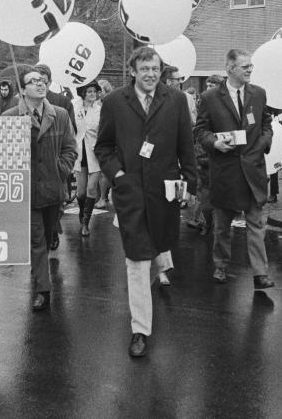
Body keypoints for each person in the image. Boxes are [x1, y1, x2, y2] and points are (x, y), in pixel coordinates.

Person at [95, 46, 197, 358]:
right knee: (136, 260)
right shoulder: (114, 102)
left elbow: (185, 144)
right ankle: (140, 329)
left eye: (155, 68)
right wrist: (120, 176)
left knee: (160, 246)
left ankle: (161, 262)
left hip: (165, 191)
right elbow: (104, 147)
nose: (150, 74)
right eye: (144, 69)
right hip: (130, 193)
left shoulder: (176, 100)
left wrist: (190, 184)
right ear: (133, 71)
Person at [195, 49, 275, 289]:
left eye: (251, 66)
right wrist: (214, 143)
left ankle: (260, 274)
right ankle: (220, 265)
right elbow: (200, 131)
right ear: (230, 69)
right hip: (225, 172)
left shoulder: (258, 94)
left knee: (256, 226)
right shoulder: (210, 97)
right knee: (222, 227)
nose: (250, 70)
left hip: (253, 172)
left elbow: (266, 125)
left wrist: (261, 145)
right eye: (245, 66)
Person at [3, 64, 77, 311]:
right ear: (22, 90)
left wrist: (61, 169)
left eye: (43, 80)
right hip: (26, 192)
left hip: (53, 190)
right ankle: (43, 291)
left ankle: (40, 277)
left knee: (46, 236)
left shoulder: (60, 114)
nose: (40, 83)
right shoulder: (11, 117)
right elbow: (1, 155)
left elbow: (70, 148)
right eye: (34, 81)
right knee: (37, 241)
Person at [186, 75, 224, 235]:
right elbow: (199, 130)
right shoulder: (203, 103)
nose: (209, 88)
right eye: (208, 85)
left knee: (218, 195)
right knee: (204, 195)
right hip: (204, 156)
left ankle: (213, 224)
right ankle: (205, 223)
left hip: (221, 156)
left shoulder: (225, 105)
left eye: (212, 85)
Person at [72, 81, 102, 237]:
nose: (92, 94)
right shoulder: (74, 106)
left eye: (94, 91)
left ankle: (85, 223)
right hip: (79, 154)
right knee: (81, 191)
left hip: (94, 153)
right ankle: (82, 214)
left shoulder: (99, 110)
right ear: (83, 93)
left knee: (91, 188)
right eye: (89, 91)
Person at [94, 79, 114, 209]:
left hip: (109, 140)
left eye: (100, 90)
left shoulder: (111, 104)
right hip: (95, 139)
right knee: (97, 171)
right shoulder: (95, 104)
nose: (98, 93)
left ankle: (103, 197)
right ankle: (100, 196)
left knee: (104, 172)